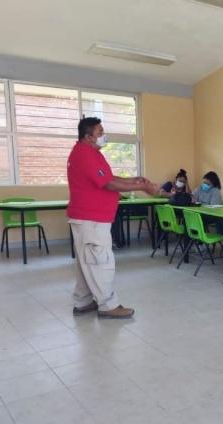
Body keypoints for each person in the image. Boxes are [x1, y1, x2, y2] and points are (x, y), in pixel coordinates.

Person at [68, 117, 159, 319]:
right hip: (91, 219)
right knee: (100, 261)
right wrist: (143, 186)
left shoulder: (89, 153)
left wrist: (132, 180)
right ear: (88, 136)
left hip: (88, 218)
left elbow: (108, 178)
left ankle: (82, 301)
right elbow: (108, 185)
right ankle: (108, 305)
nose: (104, 136)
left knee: (87, 261)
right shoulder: (85, 154)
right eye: (100, 133)